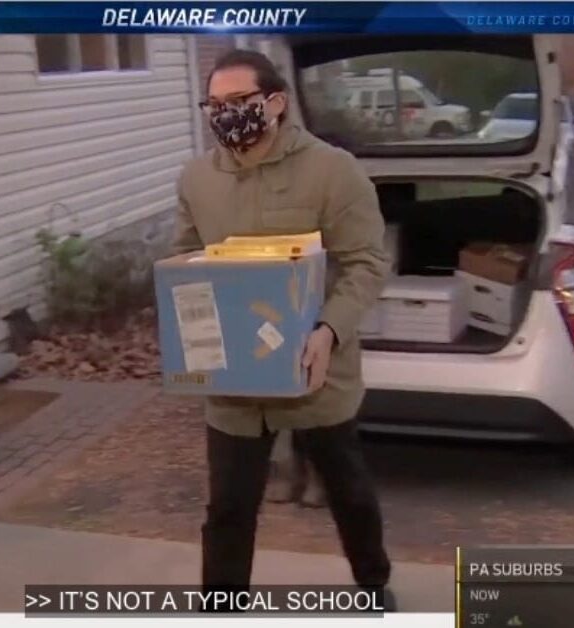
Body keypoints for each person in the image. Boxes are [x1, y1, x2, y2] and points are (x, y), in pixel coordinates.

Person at [173, 50, 394, 610]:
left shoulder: (332, 170)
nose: (225, 116)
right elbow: (185, 259)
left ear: (275, 102)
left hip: (316, 368)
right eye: (214, 106)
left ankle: (373, 583)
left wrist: (328, 330)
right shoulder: (197, 178)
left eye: (238, 103)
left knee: (349, 493)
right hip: (235, 382)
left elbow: (366, 262)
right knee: (228, 507)